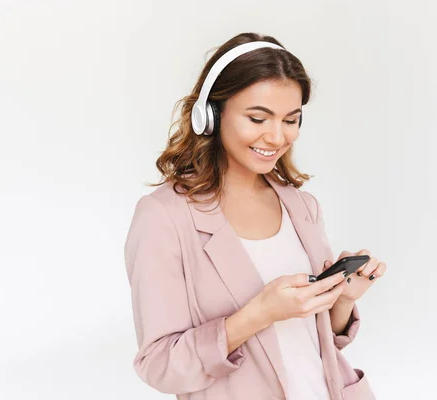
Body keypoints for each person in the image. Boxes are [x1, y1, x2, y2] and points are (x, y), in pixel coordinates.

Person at [123, 32, 386, 400]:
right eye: (258, 118)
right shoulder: (163, 217)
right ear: (210, 115)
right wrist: (259, 313)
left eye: (291, 120)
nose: (277, 137)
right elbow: (160, 365)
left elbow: (317, 342)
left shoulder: (302, 206)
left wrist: (341, 297)